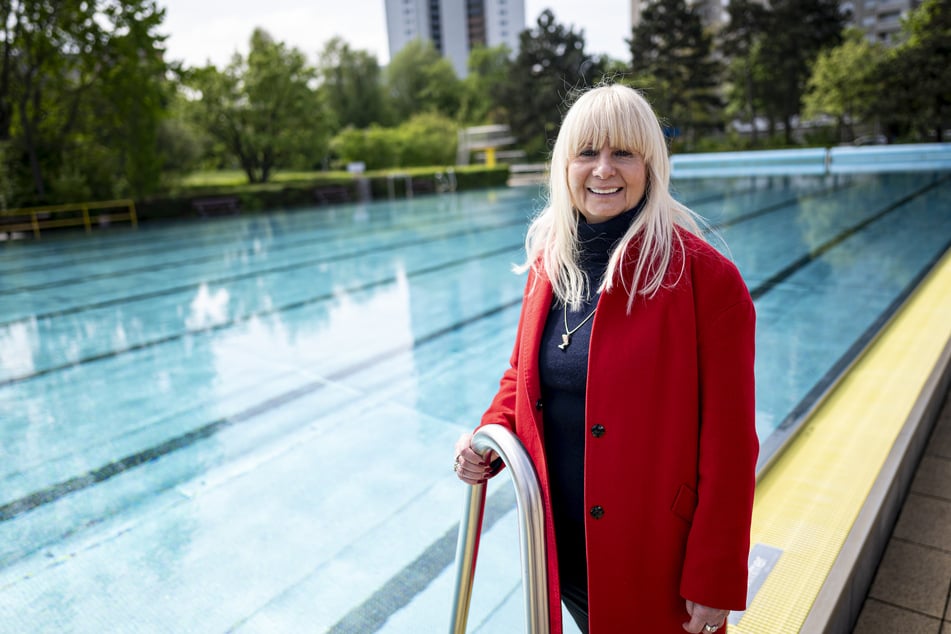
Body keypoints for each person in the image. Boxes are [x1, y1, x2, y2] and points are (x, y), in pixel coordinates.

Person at [452, 83, 758, 634]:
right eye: (587, 152)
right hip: (561, 552)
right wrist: (489, 436)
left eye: (623, 153)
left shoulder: (704, 279)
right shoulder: (552, 263)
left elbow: (732, 445)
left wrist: (715, 576)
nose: (603, 170)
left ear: (650, 165)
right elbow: (524, 374)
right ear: (564, 164)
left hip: (653, 560)